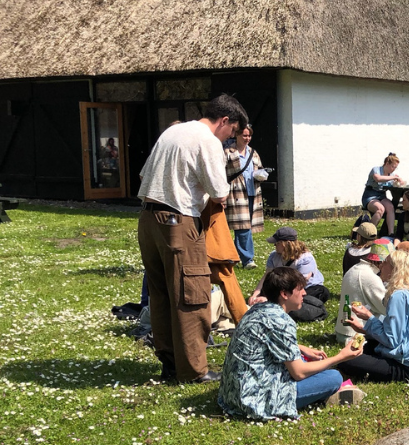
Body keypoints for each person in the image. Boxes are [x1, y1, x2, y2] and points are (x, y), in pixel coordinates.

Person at [138, 93, 247, 384]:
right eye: (232, 132)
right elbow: (219, 192)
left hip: (148, 219)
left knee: (161, 295)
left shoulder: (172, 132)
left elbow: (144, 175)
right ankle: (193, 370)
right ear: (224, 120)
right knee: (191, 295)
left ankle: (170, 363)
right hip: (178, 221)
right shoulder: (207, 140)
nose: (229, 138)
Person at [219, 267, 364, 420]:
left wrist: (300, 348)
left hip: (232, 394)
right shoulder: (281, 321)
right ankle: (329, 392)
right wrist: (340, 357)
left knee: (305, 360)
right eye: (300, 289)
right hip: (255, 401)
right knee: (333, 377)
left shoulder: (257, 309)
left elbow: (265, 340)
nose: (305, 293)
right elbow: (298, 373)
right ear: (284, 294)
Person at [340, 246, 409, 382]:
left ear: (395, 270)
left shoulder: (399, 296)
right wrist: (365, 326)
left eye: (386, 262)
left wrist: (369, 319)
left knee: (346, 360)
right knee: (366, 346)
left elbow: (392, 340)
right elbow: (397, 332)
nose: (381, 265)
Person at [248, 228, 331, 322]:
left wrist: (270, 298)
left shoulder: (305, 258)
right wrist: (256, 294)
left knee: (320, 292)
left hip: (305, 288)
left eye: (276, 243)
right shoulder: (274, 256)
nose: (274, 246)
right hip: (282, 288)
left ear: (285, 244)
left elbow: (299, 283)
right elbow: (267, 276)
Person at [225, 125, 265, 269]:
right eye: (244, 135)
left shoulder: (253, 153)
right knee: (243, 226)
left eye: (249, 136)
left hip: (252, 191)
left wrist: (262, 175)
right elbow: (221, 173)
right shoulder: (228, 152)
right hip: (235, 193)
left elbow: (259, 168)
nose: (247, 138)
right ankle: (247, 260)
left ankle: (234, 257)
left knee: (245, 226)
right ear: (237, 135)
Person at [335, 242, 388, 345]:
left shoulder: (356, 268)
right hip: (355, 334)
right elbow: (387, 308)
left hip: (343, 331)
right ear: (382, 262)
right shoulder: (370, 277)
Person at [361, 153, 404, 237]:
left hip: (381, 196)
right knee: (380, 209)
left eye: (395, 168)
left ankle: (391, 233)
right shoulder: (376, 169)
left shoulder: (391, 175)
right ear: (387, 163)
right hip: (370, 196)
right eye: (393, 167)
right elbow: (378, 178)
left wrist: (399, 182)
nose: (394, 169)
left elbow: (395, 184)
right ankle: (368, 233)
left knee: (391, 207)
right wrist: (393, 178)